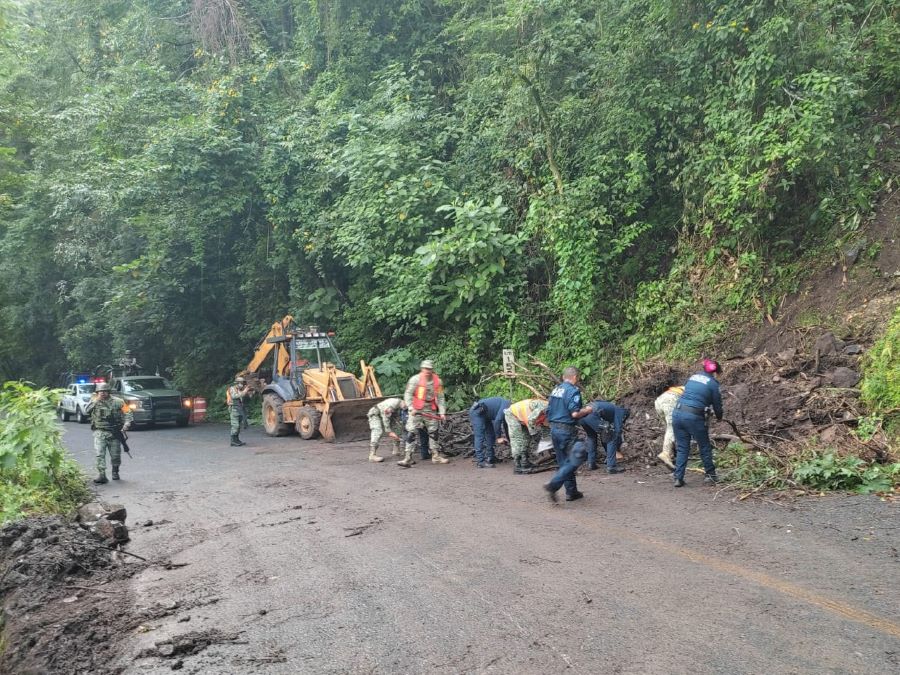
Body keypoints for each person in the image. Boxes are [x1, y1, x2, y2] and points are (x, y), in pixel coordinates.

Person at [543, 367, 594, 503]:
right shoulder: (573, 391)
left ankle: (571, 492)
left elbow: (547, 411)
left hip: (554, 430)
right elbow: (575, 413)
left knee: (564, 461)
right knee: (578, 456)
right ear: (575, 377)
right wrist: (587, 410)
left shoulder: (555, 390)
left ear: (563, 377)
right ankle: (554, 484)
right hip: (566, 430)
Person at [672, 359, 723, 487]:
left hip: (677, 413)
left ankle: (678, 478)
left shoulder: (693, 377)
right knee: (704, 446)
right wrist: (719, 417)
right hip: (693, 417)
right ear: (715, 372)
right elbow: (717, 405)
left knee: (682, 447)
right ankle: (710, 475)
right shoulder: (713, 384)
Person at [400, 360, 448, 467]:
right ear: (422, 369)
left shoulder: (438, 381)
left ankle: (435, 456)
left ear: (432, 369)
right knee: (411, 431)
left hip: (430, 408)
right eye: (425, 368)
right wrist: (410, 407)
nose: (427, 371)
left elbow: (440, 398)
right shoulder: (415, 380)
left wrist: (442, 412)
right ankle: (408, 457)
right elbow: (408, 394)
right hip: (416, 408)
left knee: (434, 432)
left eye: (429, 369)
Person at [85, 382, 133, 484]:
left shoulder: (118, 401)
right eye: (100, 391)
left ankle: (115, 471)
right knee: (99, 454)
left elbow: (128, 412)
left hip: (114, 433)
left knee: (115, 455)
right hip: (100, 432)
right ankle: (102, 475)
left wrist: (127, 424)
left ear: (108, 392)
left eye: (105, 391)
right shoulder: (94, 401)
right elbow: (86, 411)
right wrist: (95, 401)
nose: (102, 393)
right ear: (97, 392)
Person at [581, 400, 630, 474]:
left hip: (582, 417)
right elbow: (617, 430)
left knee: (591, 437)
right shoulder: (620, 411)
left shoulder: (610, 409)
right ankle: (611, 467)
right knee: (611, 436)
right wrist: (616, 448)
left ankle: (591, 463)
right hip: (592, 414)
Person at [503, 398, 548, 474]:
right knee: (518, 439)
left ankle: (524, 462)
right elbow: (531, 419)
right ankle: (517, 466)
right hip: (512, 414)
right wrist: (534, 434)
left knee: (526, 439)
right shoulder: (543, 407)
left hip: (524, 418)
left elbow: (545, 427)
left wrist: (546, 441)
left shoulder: (550, 411)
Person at [468, 397, 510, 468]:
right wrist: (499, 437)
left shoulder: (509, 410)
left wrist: (509, 439)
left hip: (485, 414)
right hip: (477, 412)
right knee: (479, 436)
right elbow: (497, 421)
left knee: (491, 434)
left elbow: (506, 426)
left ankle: (491, 458)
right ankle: (480, 462)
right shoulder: (506, 406)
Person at [654, 384, 684, 470]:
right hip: (670, 399)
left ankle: (670, 454)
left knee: (669, 429)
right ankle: (666, 453)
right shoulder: (697, 392)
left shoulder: (690, 386)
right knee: (672, 428)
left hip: (660, 400)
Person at [367, 397, 405, 463]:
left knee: (397, 428)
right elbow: (385, 416)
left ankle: (396, 449)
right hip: (375, 414)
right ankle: (372, 455)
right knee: (377, 431)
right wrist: (389, 431)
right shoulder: (394, 403)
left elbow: (397, 420)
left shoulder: (400, 406)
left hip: (384, 415)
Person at [227, 376, 255, 447]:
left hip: (240, 409)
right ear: (237, 383)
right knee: (235, 425)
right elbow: (235, 396)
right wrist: (245, 390)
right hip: (234, 409)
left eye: (243, 383)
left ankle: (237, 440)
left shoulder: (241, 389)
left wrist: (251, 392)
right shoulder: (232, 389)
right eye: (241, 383)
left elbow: (248, 398)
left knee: (238, 426)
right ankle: (233, 441)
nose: (242, 385)